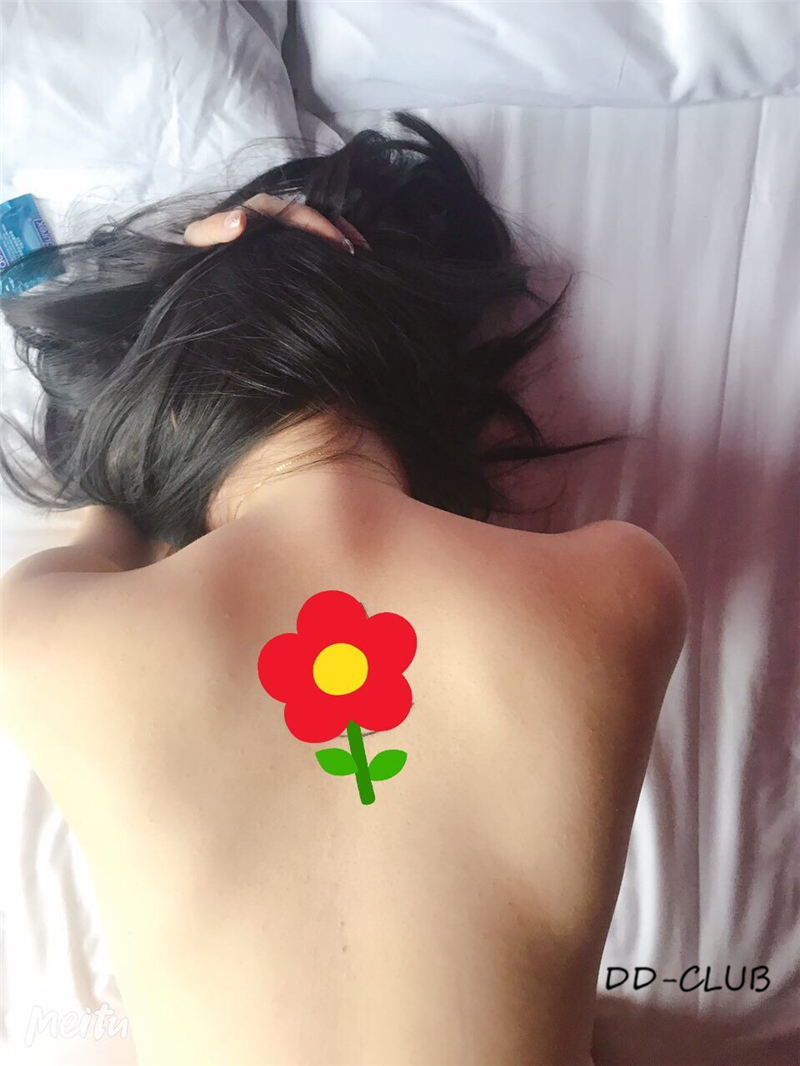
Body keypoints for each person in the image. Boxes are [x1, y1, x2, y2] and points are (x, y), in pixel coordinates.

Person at [0, 113, 688, 1066]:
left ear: (159, 414)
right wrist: (231, 282)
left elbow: (106, 501)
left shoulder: (46, 639)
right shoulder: (622, 584)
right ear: (424, 385)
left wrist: (194, 291)